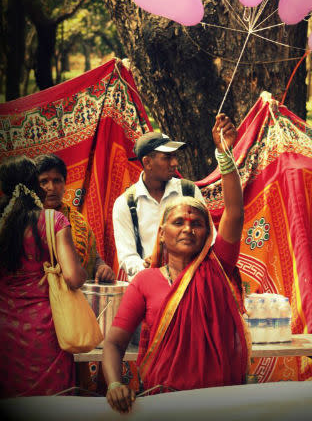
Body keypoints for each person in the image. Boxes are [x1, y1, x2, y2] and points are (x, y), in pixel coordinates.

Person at [103, 114, 251, 414]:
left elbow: (234, 211)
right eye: (178, 222)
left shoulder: (217, 268)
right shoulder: (145, 281)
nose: (188, 229)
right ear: (162, 232)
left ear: (207, 231)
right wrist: (115, 384)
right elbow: (114, 343)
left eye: (197, 223)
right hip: (161, 406)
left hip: (221, 405)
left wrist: (224, 154)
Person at [0, 155, 87, 397]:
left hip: (4, 333)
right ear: (36, 185)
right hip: (44, 331)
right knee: (52, 404)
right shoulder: (53, 220)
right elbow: (73, 277)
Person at [112, 130, 204, 280]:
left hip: (190, 281)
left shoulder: (189, 191)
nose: (175, 163)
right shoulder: (125, 204)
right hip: (148, 287)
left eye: (175, 156)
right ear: (147, 162)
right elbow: (127, 257)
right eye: (167, 157)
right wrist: (146, 267)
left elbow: (209, 238)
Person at [35, 154, 115, 283]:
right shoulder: (26, 221)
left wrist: (101, 267)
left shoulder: (78, 221)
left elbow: (93, 257)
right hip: (37, 295)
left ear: (65, 184)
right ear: (34, 186)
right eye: (44, 181)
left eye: (57, 180)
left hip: (75, 296)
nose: (51, 187)